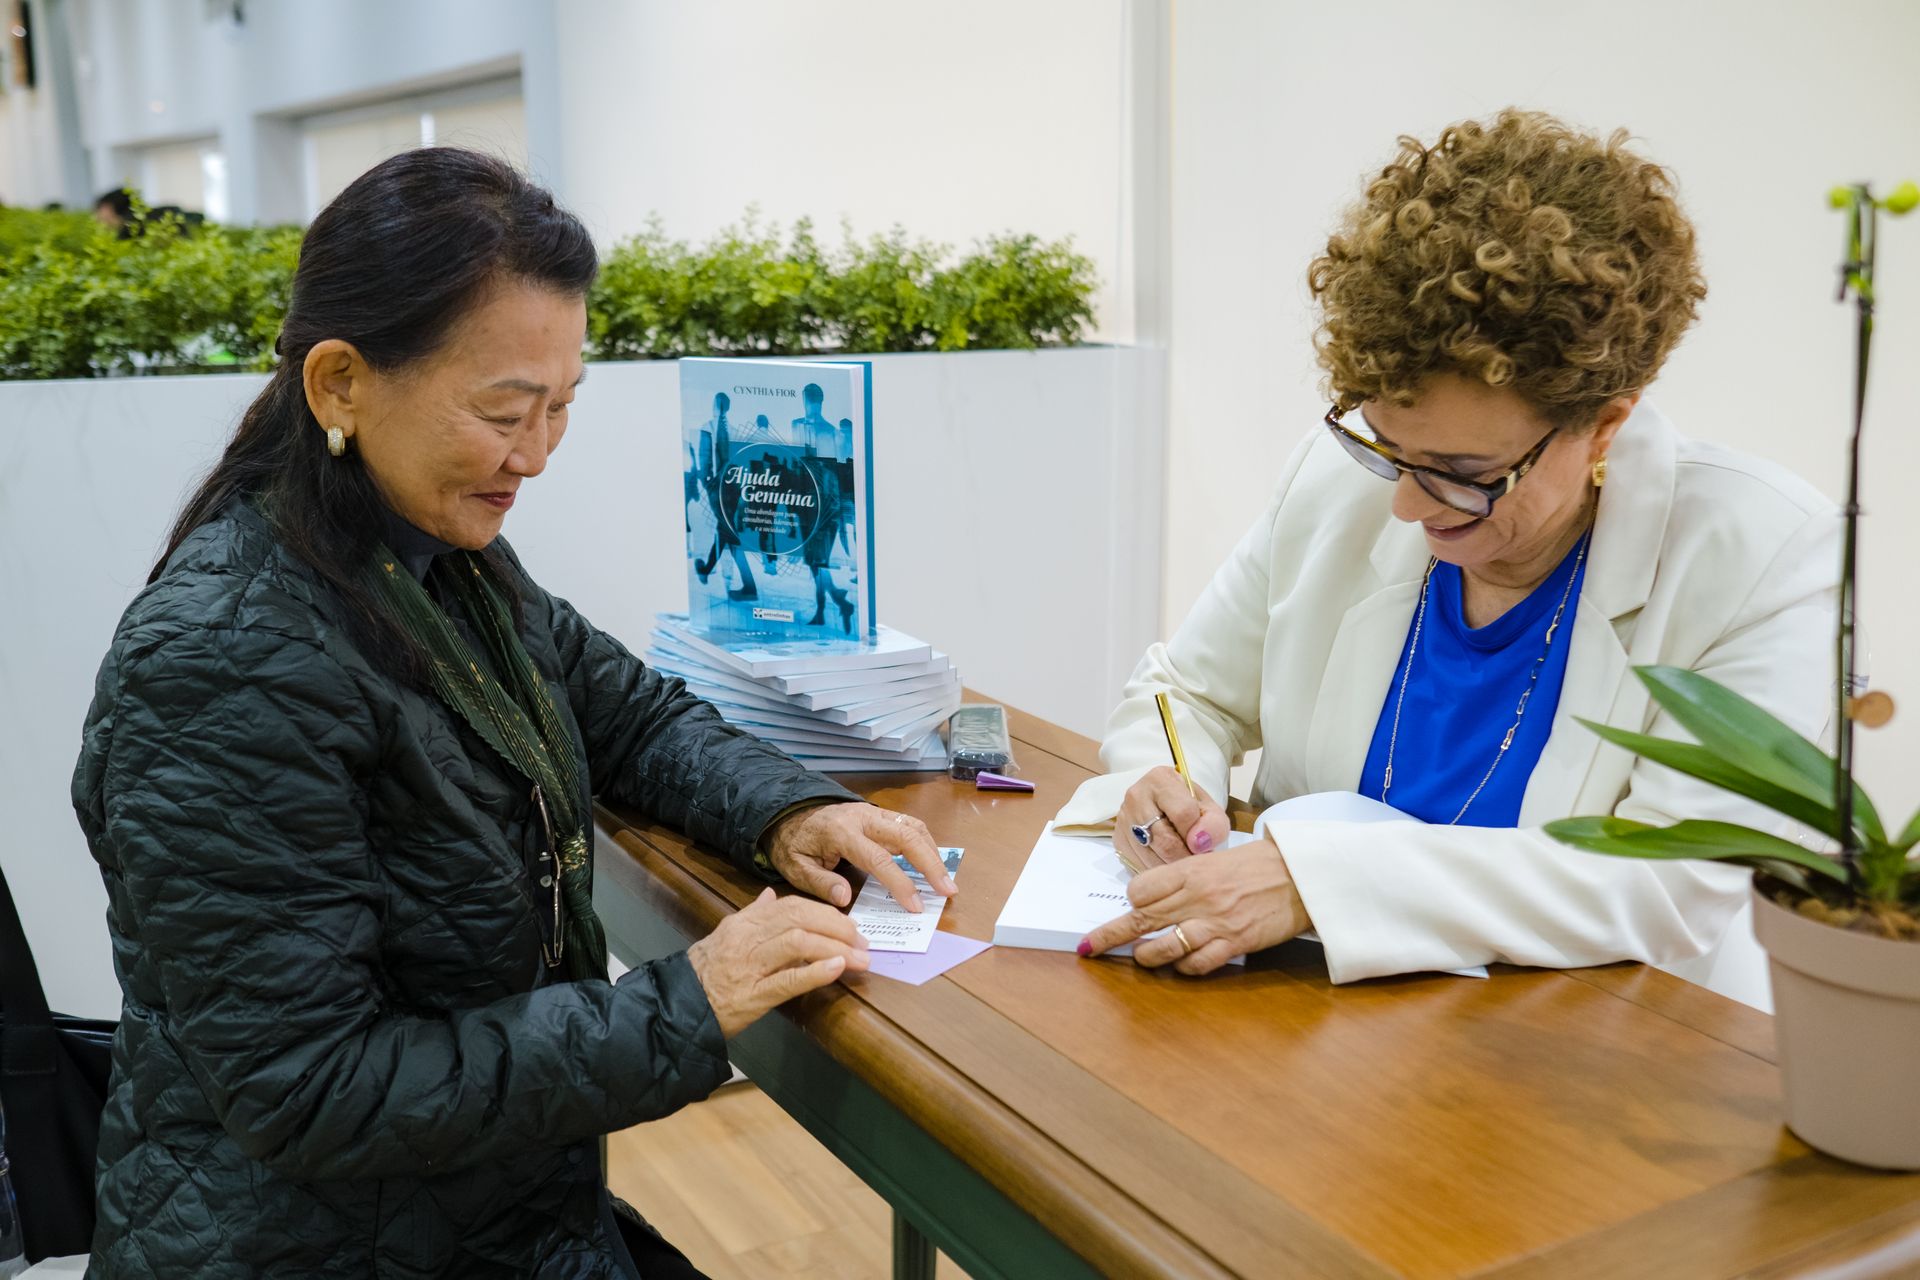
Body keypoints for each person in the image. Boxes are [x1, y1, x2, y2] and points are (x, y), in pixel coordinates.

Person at [71, 147, 957, 1279]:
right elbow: (312, 1088)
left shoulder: (437, 558)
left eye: (562, 407)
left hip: (490, 1211)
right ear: (340, 381)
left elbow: (625, 712)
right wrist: (685, 1003)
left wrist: (788, 810)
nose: (535, 456)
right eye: (504, 410)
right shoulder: (218, 658)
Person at [1060, 110, 1838, 984]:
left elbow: (1669, 878)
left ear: (1605, 425)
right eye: (1388, 449)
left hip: (1581, 1055)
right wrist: (1169, 788)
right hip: (1298, 1033)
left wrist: (1316, 883)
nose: (1403, 504)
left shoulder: (1756, 556)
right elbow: (1188, 692)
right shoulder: (1336, 483)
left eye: (1464, 472)